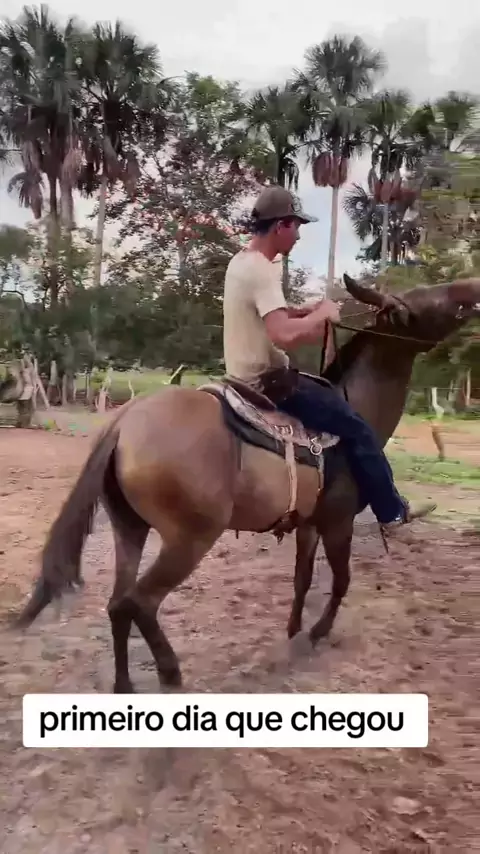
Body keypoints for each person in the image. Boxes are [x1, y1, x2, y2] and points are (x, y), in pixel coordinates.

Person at [222, 185, 436, 531]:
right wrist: (323, 314)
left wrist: (298, 310)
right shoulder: (261, 270)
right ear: (281, 225)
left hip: (240, 375)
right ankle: (391, 513)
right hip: (268, 381)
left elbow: (267, 315)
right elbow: (283, 335)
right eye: (297, 226)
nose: (298, 235)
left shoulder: (241, 261)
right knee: (358, 428)